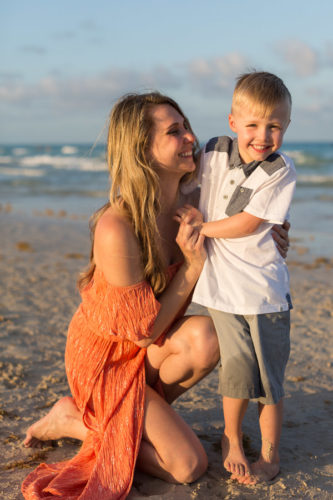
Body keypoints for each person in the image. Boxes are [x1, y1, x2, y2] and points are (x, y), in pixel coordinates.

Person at [22, 91, 290, 499]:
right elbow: (143, 334)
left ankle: (127, 419)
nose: (190, 138)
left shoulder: (195, 204)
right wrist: (194, 265)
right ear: (142, 151)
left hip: (144, 354)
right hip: (107, 360)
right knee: (188, 466)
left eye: (186, 127)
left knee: (208, 337)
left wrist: (271, 235)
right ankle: (74, 418)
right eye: (174, 132)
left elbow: (248, 218)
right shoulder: (118, 226)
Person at [177, 72, 296, 485]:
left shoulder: (280, 169)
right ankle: (230, 438)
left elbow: (247, 223)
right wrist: (185, 214)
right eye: (252, 125)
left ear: (286, 128)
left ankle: (270, 454)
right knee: (236, 373)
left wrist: (201, 229)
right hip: (222, 294)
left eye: (274, 126)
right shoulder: (212, 151)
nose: (262, 136)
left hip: (264, 295)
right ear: (232, 122)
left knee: (268, 382)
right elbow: (189, 190)